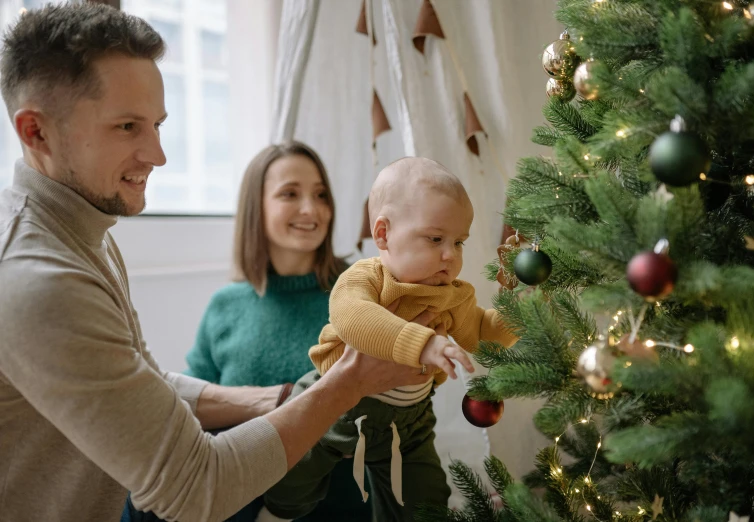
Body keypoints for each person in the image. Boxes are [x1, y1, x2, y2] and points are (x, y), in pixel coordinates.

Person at [0, 5, 432, 521]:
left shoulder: (85, 231)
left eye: (157, 124)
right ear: (37, 133)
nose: (158, 154)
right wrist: (348, 382)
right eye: (126, 126)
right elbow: (196, 488)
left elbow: (151, 379)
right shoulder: (40, 278)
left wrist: (274, 398)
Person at [124, 141, 373, 521]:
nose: (311, 209)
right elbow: (191, 414)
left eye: (321, 194)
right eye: (290, 193)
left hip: (331, 502)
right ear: (257, 206)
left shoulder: (359, 293)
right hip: (236, 500)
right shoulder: (226, 305)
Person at [259, 158, 519, 522]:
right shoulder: (366, 277)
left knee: (424, 499)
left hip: (409, 422)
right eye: (435, 238)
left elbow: (481, 333)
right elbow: (354, 319)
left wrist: (523, 312)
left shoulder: (452, 295)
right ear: (383, 234)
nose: (450, 254)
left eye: (459, 242)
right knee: (291, 478)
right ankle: (275, 514)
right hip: (333, 404)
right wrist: (423, 343)